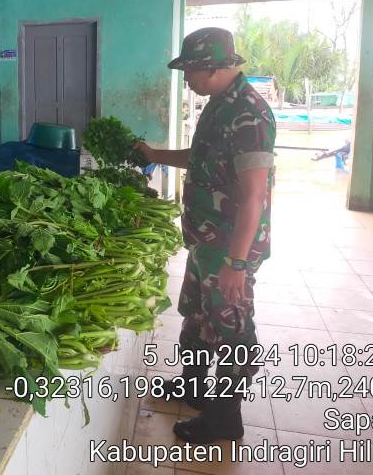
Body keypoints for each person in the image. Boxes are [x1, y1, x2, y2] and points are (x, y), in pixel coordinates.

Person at [135, 27, 276, 444]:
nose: (186, 80)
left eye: (190, 72)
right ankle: (193, 386)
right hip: (206, 240)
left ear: (212, 68)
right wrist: (155, 155)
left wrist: (237, 263)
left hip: (230, 246)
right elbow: (201, 160)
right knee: (196, 315)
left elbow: (254, 195)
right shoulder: (218, 106)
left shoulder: (249, 114)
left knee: (231, 329)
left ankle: (225, 418)